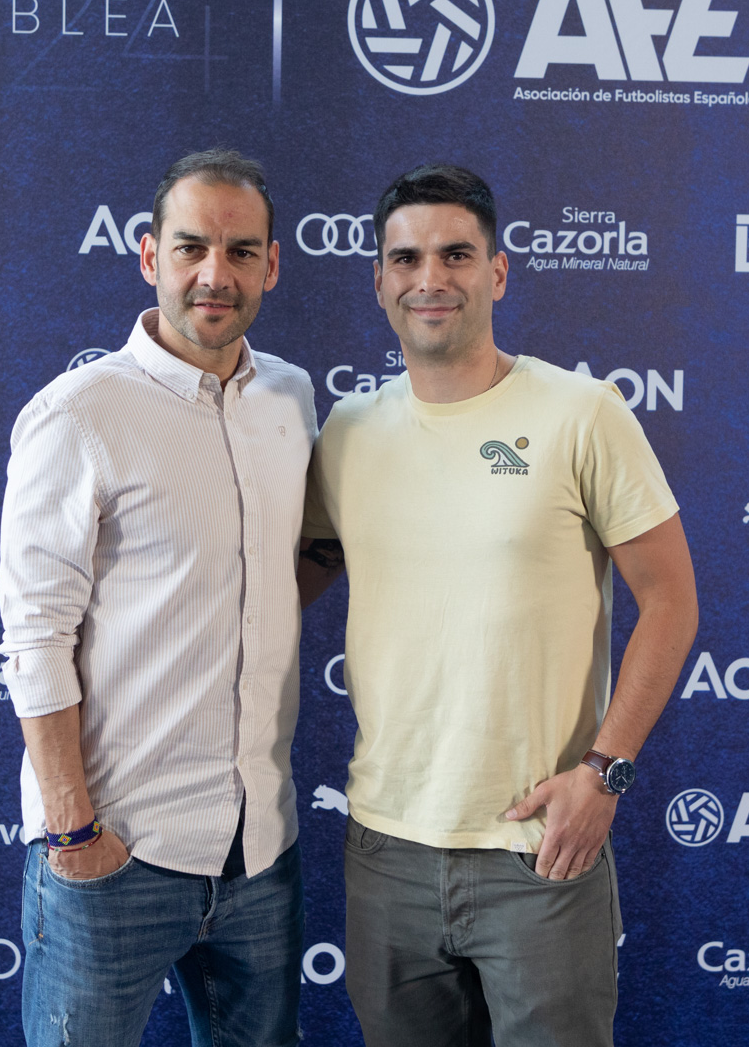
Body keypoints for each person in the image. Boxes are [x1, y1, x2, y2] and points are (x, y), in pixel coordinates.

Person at [297, 164, 700, 1047]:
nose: (430, 279)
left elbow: (671, 600)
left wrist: (606, 772)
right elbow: (281, 586)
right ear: (379, 280)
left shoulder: (582, 413)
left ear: (499, 272)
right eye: (406, 259)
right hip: (387, 849)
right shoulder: (348, 434)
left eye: (456, 255)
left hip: (540, 848)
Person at [0, 149, 316, 1047]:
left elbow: (289, 564)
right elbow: (35, 636)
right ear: (149, 257)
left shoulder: (291, 398)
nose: (216, 274)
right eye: (191, 248)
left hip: (262, 854)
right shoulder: (79, 413)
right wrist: (74, 834)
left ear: (271, 266)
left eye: (241, 252)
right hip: (116, 855)